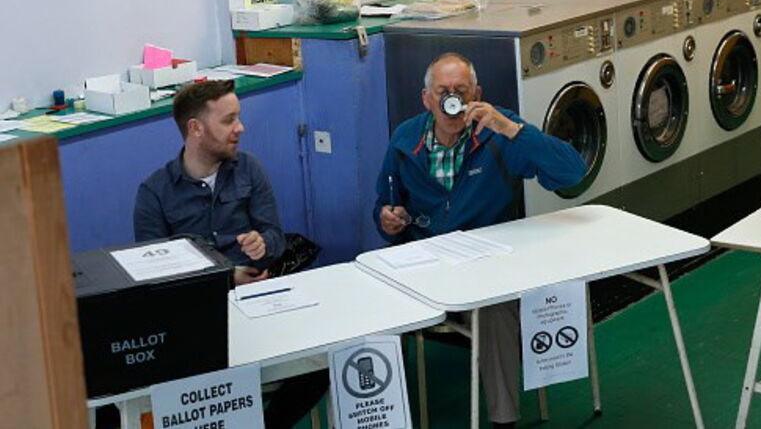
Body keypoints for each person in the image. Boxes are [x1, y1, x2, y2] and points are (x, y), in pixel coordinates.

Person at [373, 53, 586, 428]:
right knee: (373, 300)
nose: (451, 101)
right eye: (442, 92)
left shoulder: (499, 132)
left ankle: (504, 420)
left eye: (460, 91)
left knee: (494, 308)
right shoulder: (406, 138)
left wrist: (512, 129)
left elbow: (572, 172)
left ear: (477, 94)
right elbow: (386, 200)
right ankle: (388, 414)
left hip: (491, 263)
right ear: (426, 99)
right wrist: (387, 218)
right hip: (426, 262)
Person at [133, 80, 327, 429]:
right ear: (195, 128)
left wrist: (263, 244)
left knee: (320, 362)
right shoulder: (154, 193)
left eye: (238, 117)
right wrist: (225, 277)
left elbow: (275, 238)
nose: (240, 128)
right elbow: (154, 277)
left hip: (258, 301)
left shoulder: (249, 168)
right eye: (228, 120)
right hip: (195, 315)